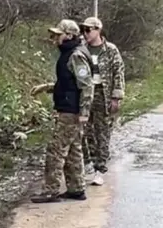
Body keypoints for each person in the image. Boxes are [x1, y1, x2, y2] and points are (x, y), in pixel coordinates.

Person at [30, 19, 94, 204]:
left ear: (69, 36)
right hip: (69, 108)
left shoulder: (76, 55)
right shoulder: (69, 54)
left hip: (71, 111)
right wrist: (48, 87)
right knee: (73, 150)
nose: (54, 38)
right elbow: (68, 83)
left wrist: (84, 112)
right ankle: (76, 189)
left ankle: (50, 190)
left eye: (58, 34)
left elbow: (86, 86)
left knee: (55, 151)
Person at [79, 17, 124, 186]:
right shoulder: (81, 49)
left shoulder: (110, 50)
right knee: (85, 131)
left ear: (98, 30)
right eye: (83, 30)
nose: (85, 33)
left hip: (103, 94)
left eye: (88, 30)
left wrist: (116, 97)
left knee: (102, 132)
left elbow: (118, 72)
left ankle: (100, 169)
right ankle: (89, 163)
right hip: (86, 94)